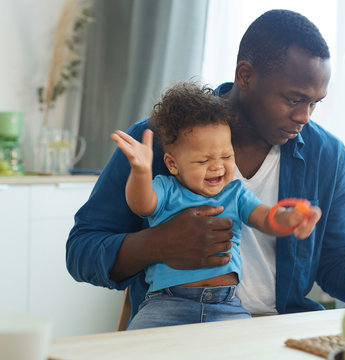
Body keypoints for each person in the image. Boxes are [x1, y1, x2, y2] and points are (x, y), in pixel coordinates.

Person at [66, 9, 345, 326]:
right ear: (246, 75)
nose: (304, 116)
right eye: (294, 99)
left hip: (280, 335)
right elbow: (81, 250)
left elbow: (339, 263)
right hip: (175, 327)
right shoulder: (156, 140)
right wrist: (159, 243)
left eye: (315, 103)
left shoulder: (327, 155)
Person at [110, 82, 320, 328]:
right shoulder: (165, 188)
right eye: (203, 160)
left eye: (227, 156)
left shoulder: (236, 193)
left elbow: (264, 218)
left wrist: (288, 219)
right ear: (172, 164)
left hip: (227, 307)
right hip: (166, 304)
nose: (218, 166)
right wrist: (141, 172)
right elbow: (141, 205)